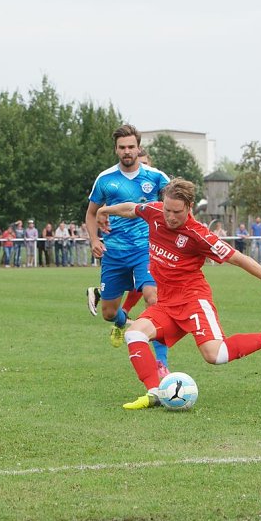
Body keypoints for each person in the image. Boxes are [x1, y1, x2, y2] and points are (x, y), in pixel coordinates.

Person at [96, 179, 261, 409]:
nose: (170, 216)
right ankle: (155, 392)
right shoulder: (155, 211)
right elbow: (131, 208)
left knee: (215, 355)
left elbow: (238, 258)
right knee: (134, 334)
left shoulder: (199, 235)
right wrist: (104, 209)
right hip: (167, 303)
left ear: (189, 207)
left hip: (193, 301)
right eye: (167, 209)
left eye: (176, 212)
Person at [84, 123, 171, 357]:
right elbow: (91, 213)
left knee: (153, 300)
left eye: (131, 146)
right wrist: (94, 240)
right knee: (109, 313)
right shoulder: (105, 179)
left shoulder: (156, 177)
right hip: (114, 252)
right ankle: (122, 323)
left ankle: (162, 366)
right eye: (122, 147)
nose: (127, 151)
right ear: (116, 149)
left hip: (146, 249)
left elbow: (176, 206)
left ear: (138, 148)